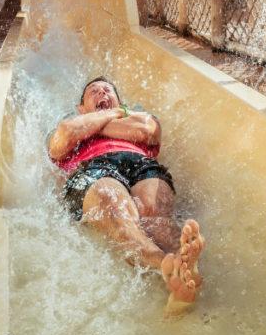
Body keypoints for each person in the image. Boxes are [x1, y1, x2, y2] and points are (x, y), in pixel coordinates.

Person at [48, 76, 205, 313]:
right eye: (94, 91)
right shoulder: (71, 123)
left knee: (153, 211)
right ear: (81, 109)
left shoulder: (137, 117)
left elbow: (147, 131)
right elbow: (64, 135)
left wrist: (90, 127)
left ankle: (184, 270)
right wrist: (115, 117)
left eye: (107, 90)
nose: (101, 93)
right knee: (116, 206)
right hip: (93, 167)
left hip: (141, 163)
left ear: (122, 103)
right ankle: (164, 263)